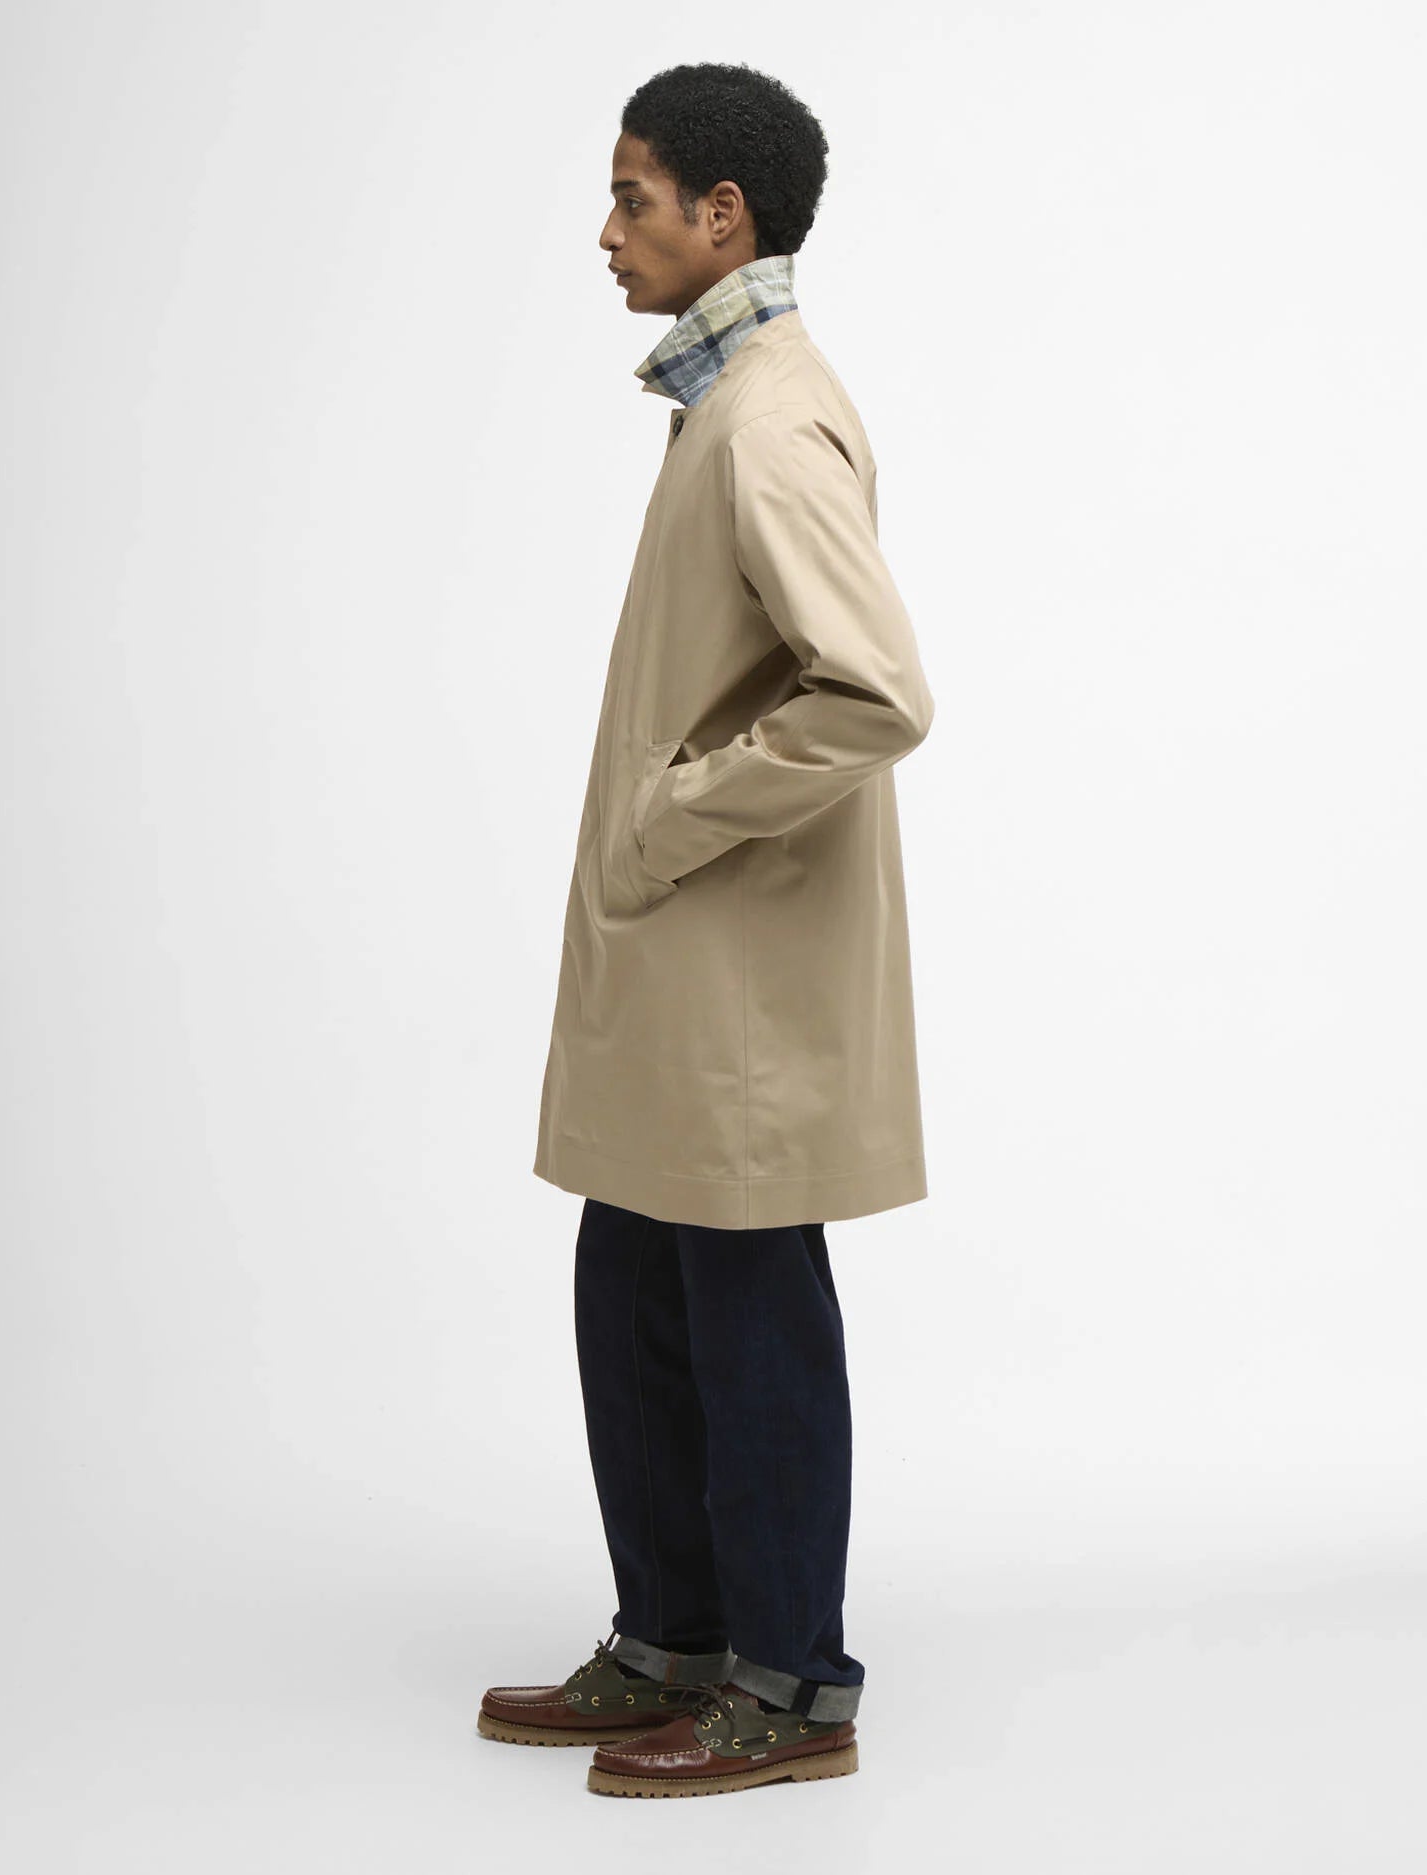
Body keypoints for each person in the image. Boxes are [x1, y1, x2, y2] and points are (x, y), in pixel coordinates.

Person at [480, 61, 935, 1799]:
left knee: (744, 1306)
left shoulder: (767, 424)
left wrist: (676, 810)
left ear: (720, 216)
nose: (607, 234)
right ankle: (671, 1640)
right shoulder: (721, 402)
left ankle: (792, 1688)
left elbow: (876, 691)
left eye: (632, 198)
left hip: (732, 971)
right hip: (683, 966)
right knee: (633, 1288)